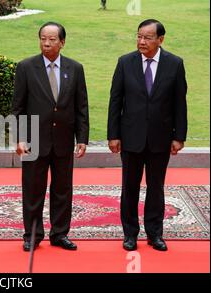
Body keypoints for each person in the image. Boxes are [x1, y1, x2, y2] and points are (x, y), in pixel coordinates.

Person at [107, 19, 187, 251]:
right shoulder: (125, 62)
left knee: (156, 187)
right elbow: (115, 101)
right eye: (139, 36)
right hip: (131, 137)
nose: (141, 41)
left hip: (160, 138)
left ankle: (155, 234)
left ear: (160, 40)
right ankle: (130, 234)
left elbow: (179, 103)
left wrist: (178, 136)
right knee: (129, 187)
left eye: (147, 37)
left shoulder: (175, 64)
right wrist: (114, 135)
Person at [12, 22, 89, 251]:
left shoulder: (75, 68)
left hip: (64, 141)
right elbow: (18, 108)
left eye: (52, 39)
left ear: (62, 42)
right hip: (34, 141)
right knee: (33, 190)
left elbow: (81, 106)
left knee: (63, 190)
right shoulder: (26, 67)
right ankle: (32, 235)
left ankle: (60, 234)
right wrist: (19, 137)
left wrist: (82, 138)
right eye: (43, 38)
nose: (46, 43)